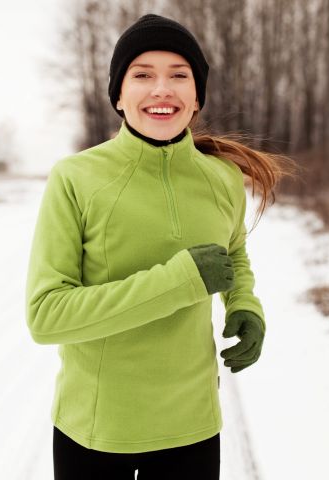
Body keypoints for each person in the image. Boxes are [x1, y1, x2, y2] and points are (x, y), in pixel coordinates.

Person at [25, 13, 296, 480]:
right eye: (142, 75)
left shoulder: (222, 178)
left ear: (196, 97)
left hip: (192, 426)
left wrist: (244, 304)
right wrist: (180, 281)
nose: (161, 89)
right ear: (118, 95)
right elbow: (46, 315)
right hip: (96, 428)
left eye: (179, 75)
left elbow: (231, 254)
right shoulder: (76, 178)